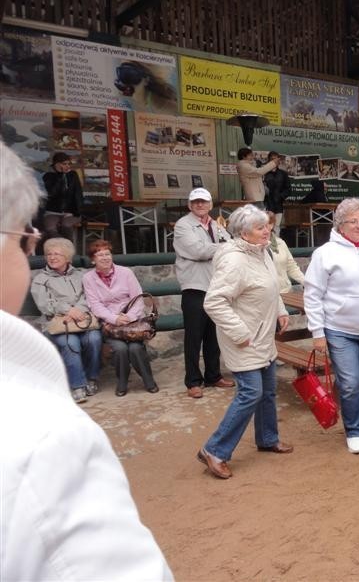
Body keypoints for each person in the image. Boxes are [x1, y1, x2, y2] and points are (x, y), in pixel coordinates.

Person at [0, 141, 173, 580]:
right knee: (93, 342)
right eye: (27, 239)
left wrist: (119, 315)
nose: (38, 252)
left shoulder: (118, 274)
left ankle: (123, 381)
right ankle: (107, 382)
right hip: (97, 322)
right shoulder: (42, 432)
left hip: (119, 321)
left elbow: (129, 300)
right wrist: (104, 316)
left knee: (124, 343)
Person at [197, 205, 293, 479]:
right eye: (261, 228)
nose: (267, 231)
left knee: (269, 391)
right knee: (251, 393)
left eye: (267, 226)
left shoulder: (264, 251)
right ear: (243, 232)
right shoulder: (234, 260)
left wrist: (281, 310)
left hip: (263, 334)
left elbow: (271, 286)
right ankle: (214, 450)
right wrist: (240, 333)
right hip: (243, 338)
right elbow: (214, 302)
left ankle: (267, 438)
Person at [304, 198, 359, 454]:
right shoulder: (325, 253)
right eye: (353, 221)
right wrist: (318, 333)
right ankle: (353, 429)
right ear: (341, 225)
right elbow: (313, 293)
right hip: (340, 329)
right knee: (350, 383)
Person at [173, 187, 233, 399]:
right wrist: (225, 248)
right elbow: (197, 251)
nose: (200, 205)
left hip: (215, 287)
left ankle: (213, 376)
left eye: (203, 201)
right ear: (190, 205)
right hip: (194, 287)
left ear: (210, 204)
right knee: (193, 337)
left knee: (213, 336)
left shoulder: (216, 224)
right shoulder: (182, 225)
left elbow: (228, 242)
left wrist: (223, 246)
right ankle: (192, 381)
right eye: (196, 202)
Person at [30, 237, 102, 404]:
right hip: (56, 323)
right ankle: (78, 385)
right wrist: (68, 310)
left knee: (94, 339)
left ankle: (92, 379)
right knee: (71, 343)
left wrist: (78, 311)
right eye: (49, 254)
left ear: (68, 257)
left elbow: (90, 296)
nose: (52, 257)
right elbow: (44, 304)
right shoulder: (41, 279)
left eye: (57, 254)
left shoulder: (81, 275)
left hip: (82, 319)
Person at [83, 240, 159, 396]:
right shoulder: (88, 278)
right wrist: (114, 319)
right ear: (93, 259)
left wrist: (130, 316)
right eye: (100, 255)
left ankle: (148, 380)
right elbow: (94, 305)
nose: (105, 258)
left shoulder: (126, 272)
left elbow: (137, 297)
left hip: (132, 321)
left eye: (107, 254)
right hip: (111, 325)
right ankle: (122, 381)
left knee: (135, 347)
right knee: (120, 348)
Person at [42, 151, 83, 242]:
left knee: (66, 225)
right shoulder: (48, 176)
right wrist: (60, 175)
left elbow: (78, 194)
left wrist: (75, 212)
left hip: (72, 212)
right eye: (64, 164)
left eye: (69, 164)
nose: (68, 166)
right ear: (57, 164)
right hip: (52, 212)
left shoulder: (73, 175)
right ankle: (63, 246)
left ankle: (69, 250)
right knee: (50, 229)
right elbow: (52, 193)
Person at [265, 210, 304, 293]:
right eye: (259, 225)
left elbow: (292, 267)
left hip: (286, 291)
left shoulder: (281, 243)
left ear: (272, 225)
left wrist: (307, 283)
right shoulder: (253, 247)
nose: (264, 228)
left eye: (267, 223)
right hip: (266, 295)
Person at [264, 152, 291, 236]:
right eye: (272, 159)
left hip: (278, 205)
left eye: (276, 159)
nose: (274, 161)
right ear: (268, 160)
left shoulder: (283, 174)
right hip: (266, 204)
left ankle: (276, 247)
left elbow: (288, 189)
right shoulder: (264, 173)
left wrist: (281, 196)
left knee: (276, 227)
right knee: (265, 226)